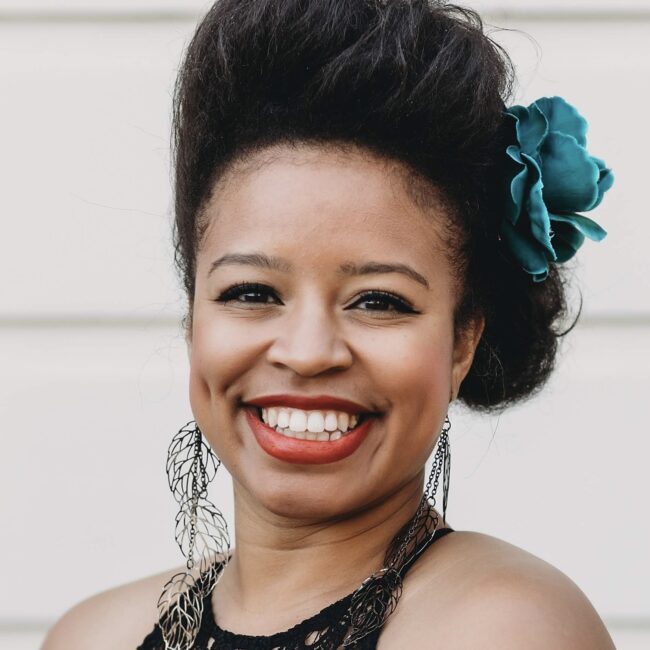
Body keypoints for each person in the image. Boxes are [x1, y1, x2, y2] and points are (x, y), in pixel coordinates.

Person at [42, 1, 616, 648]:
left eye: (379, 301)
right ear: (193, 321)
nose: (308, 352)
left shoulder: (505, 628)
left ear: (462, 341)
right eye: (252, 292)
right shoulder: (92, 635)